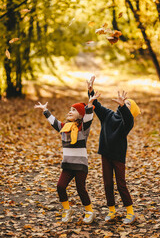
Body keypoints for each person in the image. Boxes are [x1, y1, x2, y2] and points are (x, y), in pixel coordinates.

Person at [34, 92, 100, 224]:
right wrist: (45, 110)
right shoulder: (64, 128)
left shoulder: (83, 129)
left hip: (80, 165)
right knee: (60, 186)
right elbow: (54, 122)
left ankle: (89, 211)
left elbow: (88, 118)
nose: (70, 111)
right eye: (70, 109)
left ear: (80, 115)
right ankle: (67, 210)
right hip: (68, 165)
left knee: (80, 188)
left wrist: (90, 105)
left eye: (74, 110)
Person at [87, 76, 141, 224]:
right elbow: (96, 105)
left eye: (129, 104)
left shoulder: (126, 123)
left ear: (131, 112)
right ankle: (112, 211)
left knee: (120, 183)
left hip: (117, 156)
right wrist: (90, 91)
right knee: (107, 183)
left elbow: (129, 119)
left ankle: (130, 212)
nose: (125, 104)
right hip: (105, 154)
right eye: (125, 102)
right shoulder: (108, 115)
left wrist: (124, 107)